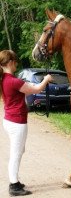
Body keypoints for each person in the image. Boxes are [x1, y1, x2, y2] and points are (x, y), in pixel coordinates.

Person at [0, 50, 53, 196]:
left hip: (11, 121)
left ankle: (14, 180)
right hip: (17, 122)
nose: (16, 63)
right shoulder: (13, 81)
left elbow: (25, 88)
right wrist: (46, 79)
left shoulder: (5, 79)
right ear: (10, 62)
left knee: (18, 151)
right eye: (15, 61)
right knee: (16, 153)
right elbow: (36, 89)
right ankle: (14, 185)